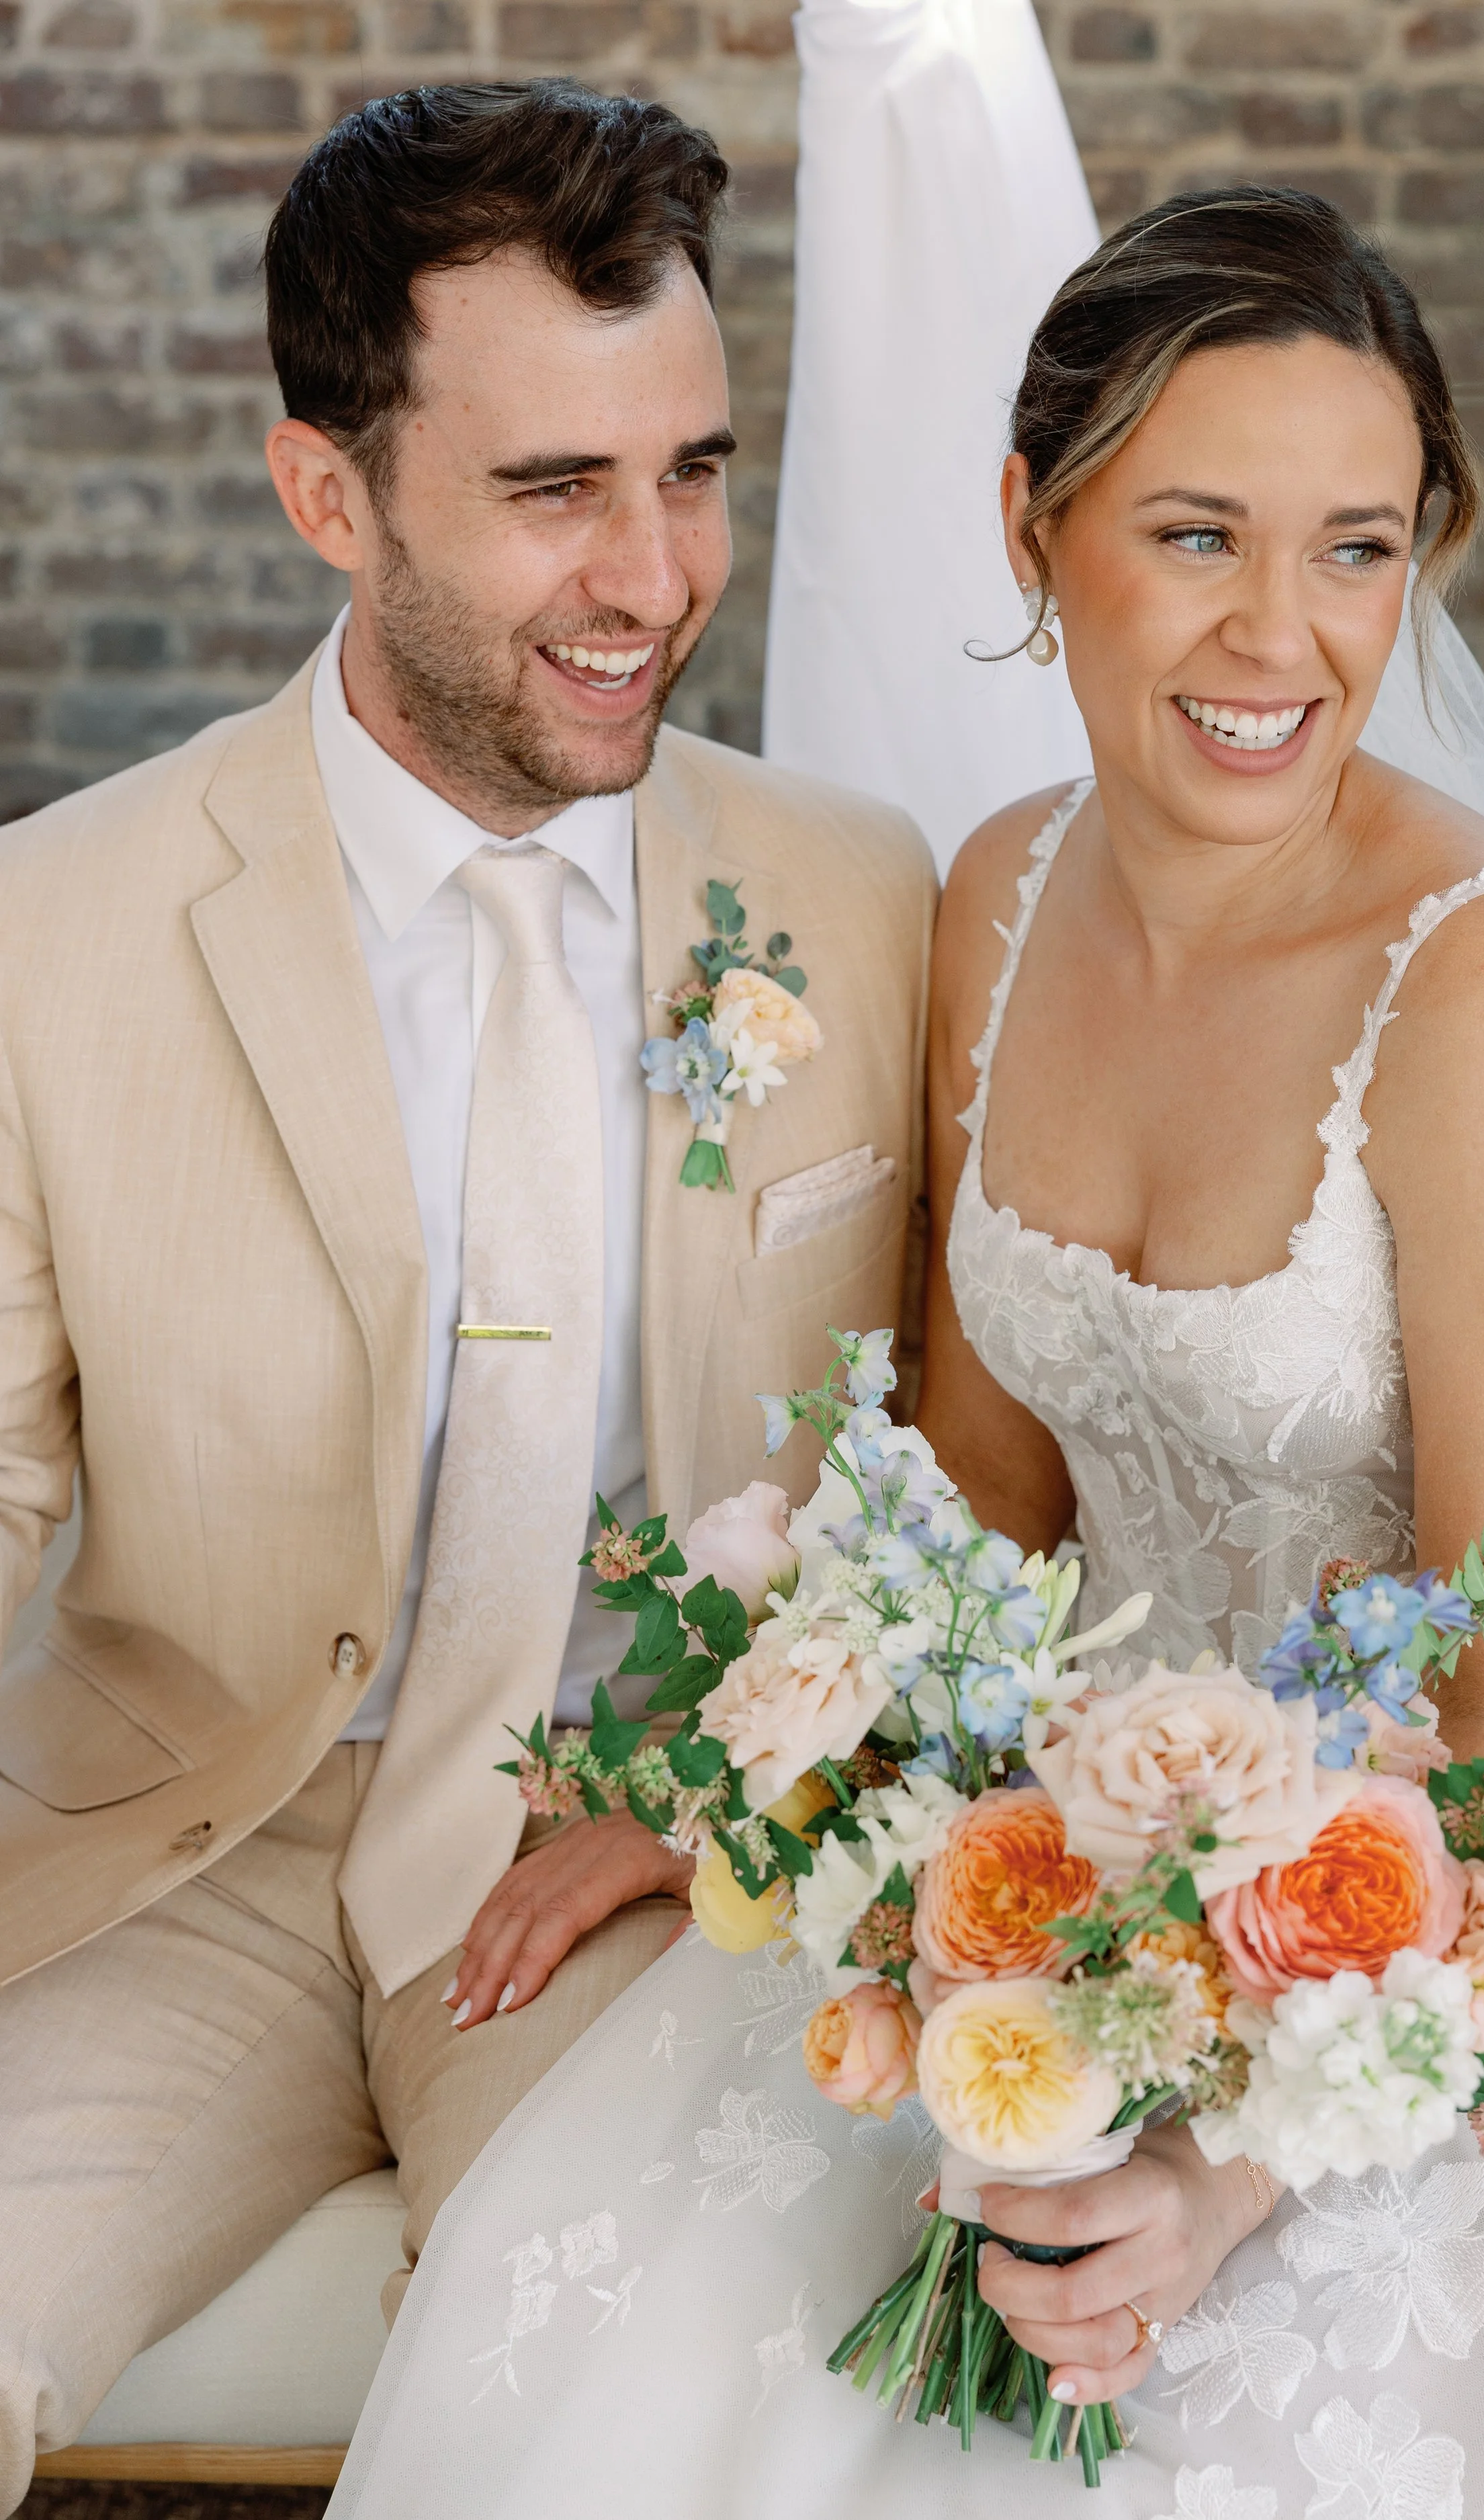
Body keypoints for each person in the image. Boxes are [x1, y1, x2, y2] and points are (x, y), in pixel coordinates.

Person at [326, 190, 1484, 2518]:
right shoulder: (1000, 888)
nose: (1284, 633)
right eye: (1193, 532)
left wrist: (1236, 2170)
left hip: (1455, 1913)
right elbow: (978, 1493)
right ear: (1031, 535)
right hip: (1065, 1823)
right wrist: (722, 1783)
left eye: (1357, 548)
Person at [0, 80, 934, 2509]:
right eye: (551, 493)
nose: (651, 574)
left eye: (695, 470)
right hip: (186, 1844)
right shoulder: (50, 937)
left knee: (647, 2395)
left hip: (635, 1845)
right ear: (331, 495)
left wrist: (740, 1786)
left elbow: (961, 1451)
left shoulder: (870, 897)